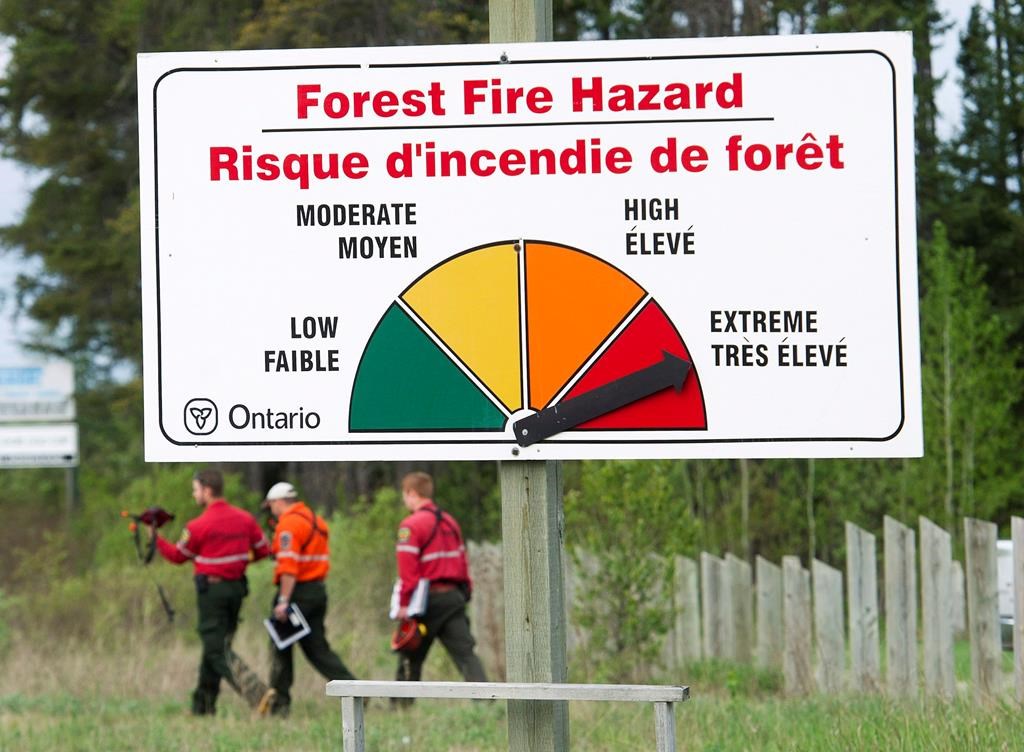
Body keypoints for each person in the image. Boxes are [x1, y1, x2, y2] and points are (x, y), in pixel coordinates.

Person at [147, 468, 275, 716]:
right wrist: (234, 561)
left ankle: (257, 692)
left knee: (216, 648)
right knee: (216, 645)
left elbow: (177, 556)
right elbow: (262, 550)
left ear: (207, 490)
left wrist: (156, 539)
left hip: (212, 593)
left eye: (195, 489)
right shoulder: (245, 519)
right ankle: (203, 707)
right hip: (237, 589)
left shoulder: (198, 526)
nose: (193, 495)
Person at [263, 481, 356, 717]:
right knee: (318, 650)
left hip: (297, 593)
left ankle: (279, 705)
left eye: (271, 505)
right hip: (317, 591)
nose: (270, 510)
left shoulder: (289, 525)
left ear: (279, 502)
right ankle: (356, 691)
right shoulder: (315, 520)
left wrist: (283, 600)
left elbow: (289, 567)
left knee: (280, 648)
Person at [393, 471, 487, 694]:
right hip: (453, 598)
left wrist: (404, 604)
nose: (404, 500)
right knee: (465, 653)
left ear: (412, 493)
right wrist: (465, 593)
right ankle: (487, 700)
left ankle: (401, 706)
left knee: (410, 652)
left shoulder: (411, 525)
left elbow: (409, 571)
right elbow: (462, 560)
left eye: (404, 495)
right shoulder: (450, 521)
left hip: (425, 602)